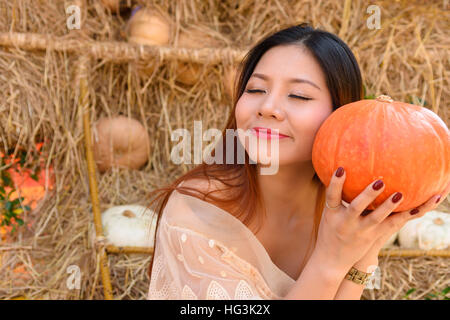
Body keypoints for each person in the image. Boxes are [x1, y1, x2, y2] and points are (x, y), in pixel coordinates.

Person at [146, 23, 446, 300]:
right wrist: (330, 260)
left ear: (342, 115)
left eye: (299, 96)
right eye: (255, 90)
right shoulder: (196, 213)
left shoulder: (344, 215)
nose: (268, 107)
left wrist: (366, 249)